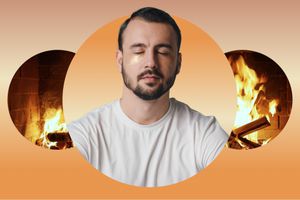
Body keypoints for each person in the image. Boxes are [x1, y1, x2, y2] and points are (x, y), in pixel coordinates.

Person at [67, 7, 228, 187]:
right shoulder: (86, 133)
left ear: (178, 63)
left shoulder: (204, 132)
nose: (151, 62)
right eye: (138, 51)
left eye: (163, 52)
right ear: (120, 60)